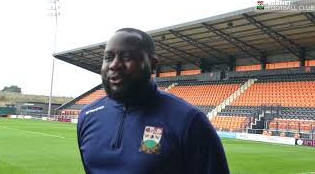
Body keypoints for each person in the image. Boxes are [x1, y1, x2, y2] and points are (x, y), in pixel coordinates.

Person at [77, 28, 229, 174]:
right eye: (108, 57)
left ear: (153, 65)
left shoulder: (188, 120)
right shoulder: (88, 116)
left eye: (127, 57)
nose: (114, 65)